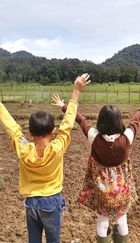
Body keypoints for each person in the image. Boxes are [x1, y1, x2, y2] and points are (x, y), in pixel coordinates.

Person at [0, 73, 90, 243]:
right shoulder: (57, 148)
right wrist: (76, 90)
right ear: (53, 131)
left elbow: (11, 128)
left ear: (30, 133)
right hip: (51, 201)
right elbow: (68, 123)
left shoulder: (24, 149)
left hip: (31, 202)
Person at [52, 96, 140, 243]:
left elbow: (80, 120)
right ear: (119, 121)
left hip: (102, 191)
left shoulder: (94, 136)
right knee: (122, 219)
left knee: (102, 221)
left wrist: (64, 106)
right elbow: (136, 120)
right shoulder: (126, 138)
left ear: (101, 121)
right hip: (122, 191)